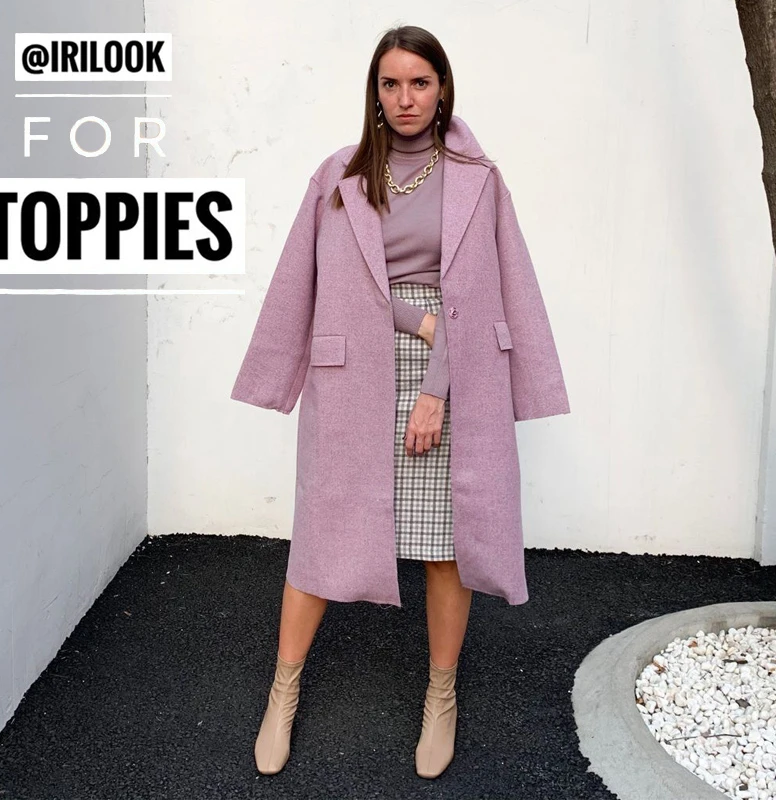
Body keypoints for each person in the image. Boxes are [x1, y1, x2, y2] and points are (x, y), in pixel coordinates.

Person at [230, 24, 570, 780]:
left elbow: (485, 294)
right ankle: (283, 691)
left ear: (443, 88)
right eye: (391, 83)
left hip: (455, 366)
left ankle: (440, 696)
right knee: (323, 533)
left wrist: (436, 388)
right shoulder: (340, 175)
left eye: (420, 82)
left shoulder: (478, 178)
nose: (405, 97)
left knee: (446, 541)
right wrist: (408, 323)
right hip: (356, 367)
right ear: (374, 92)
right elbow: (307, 279)